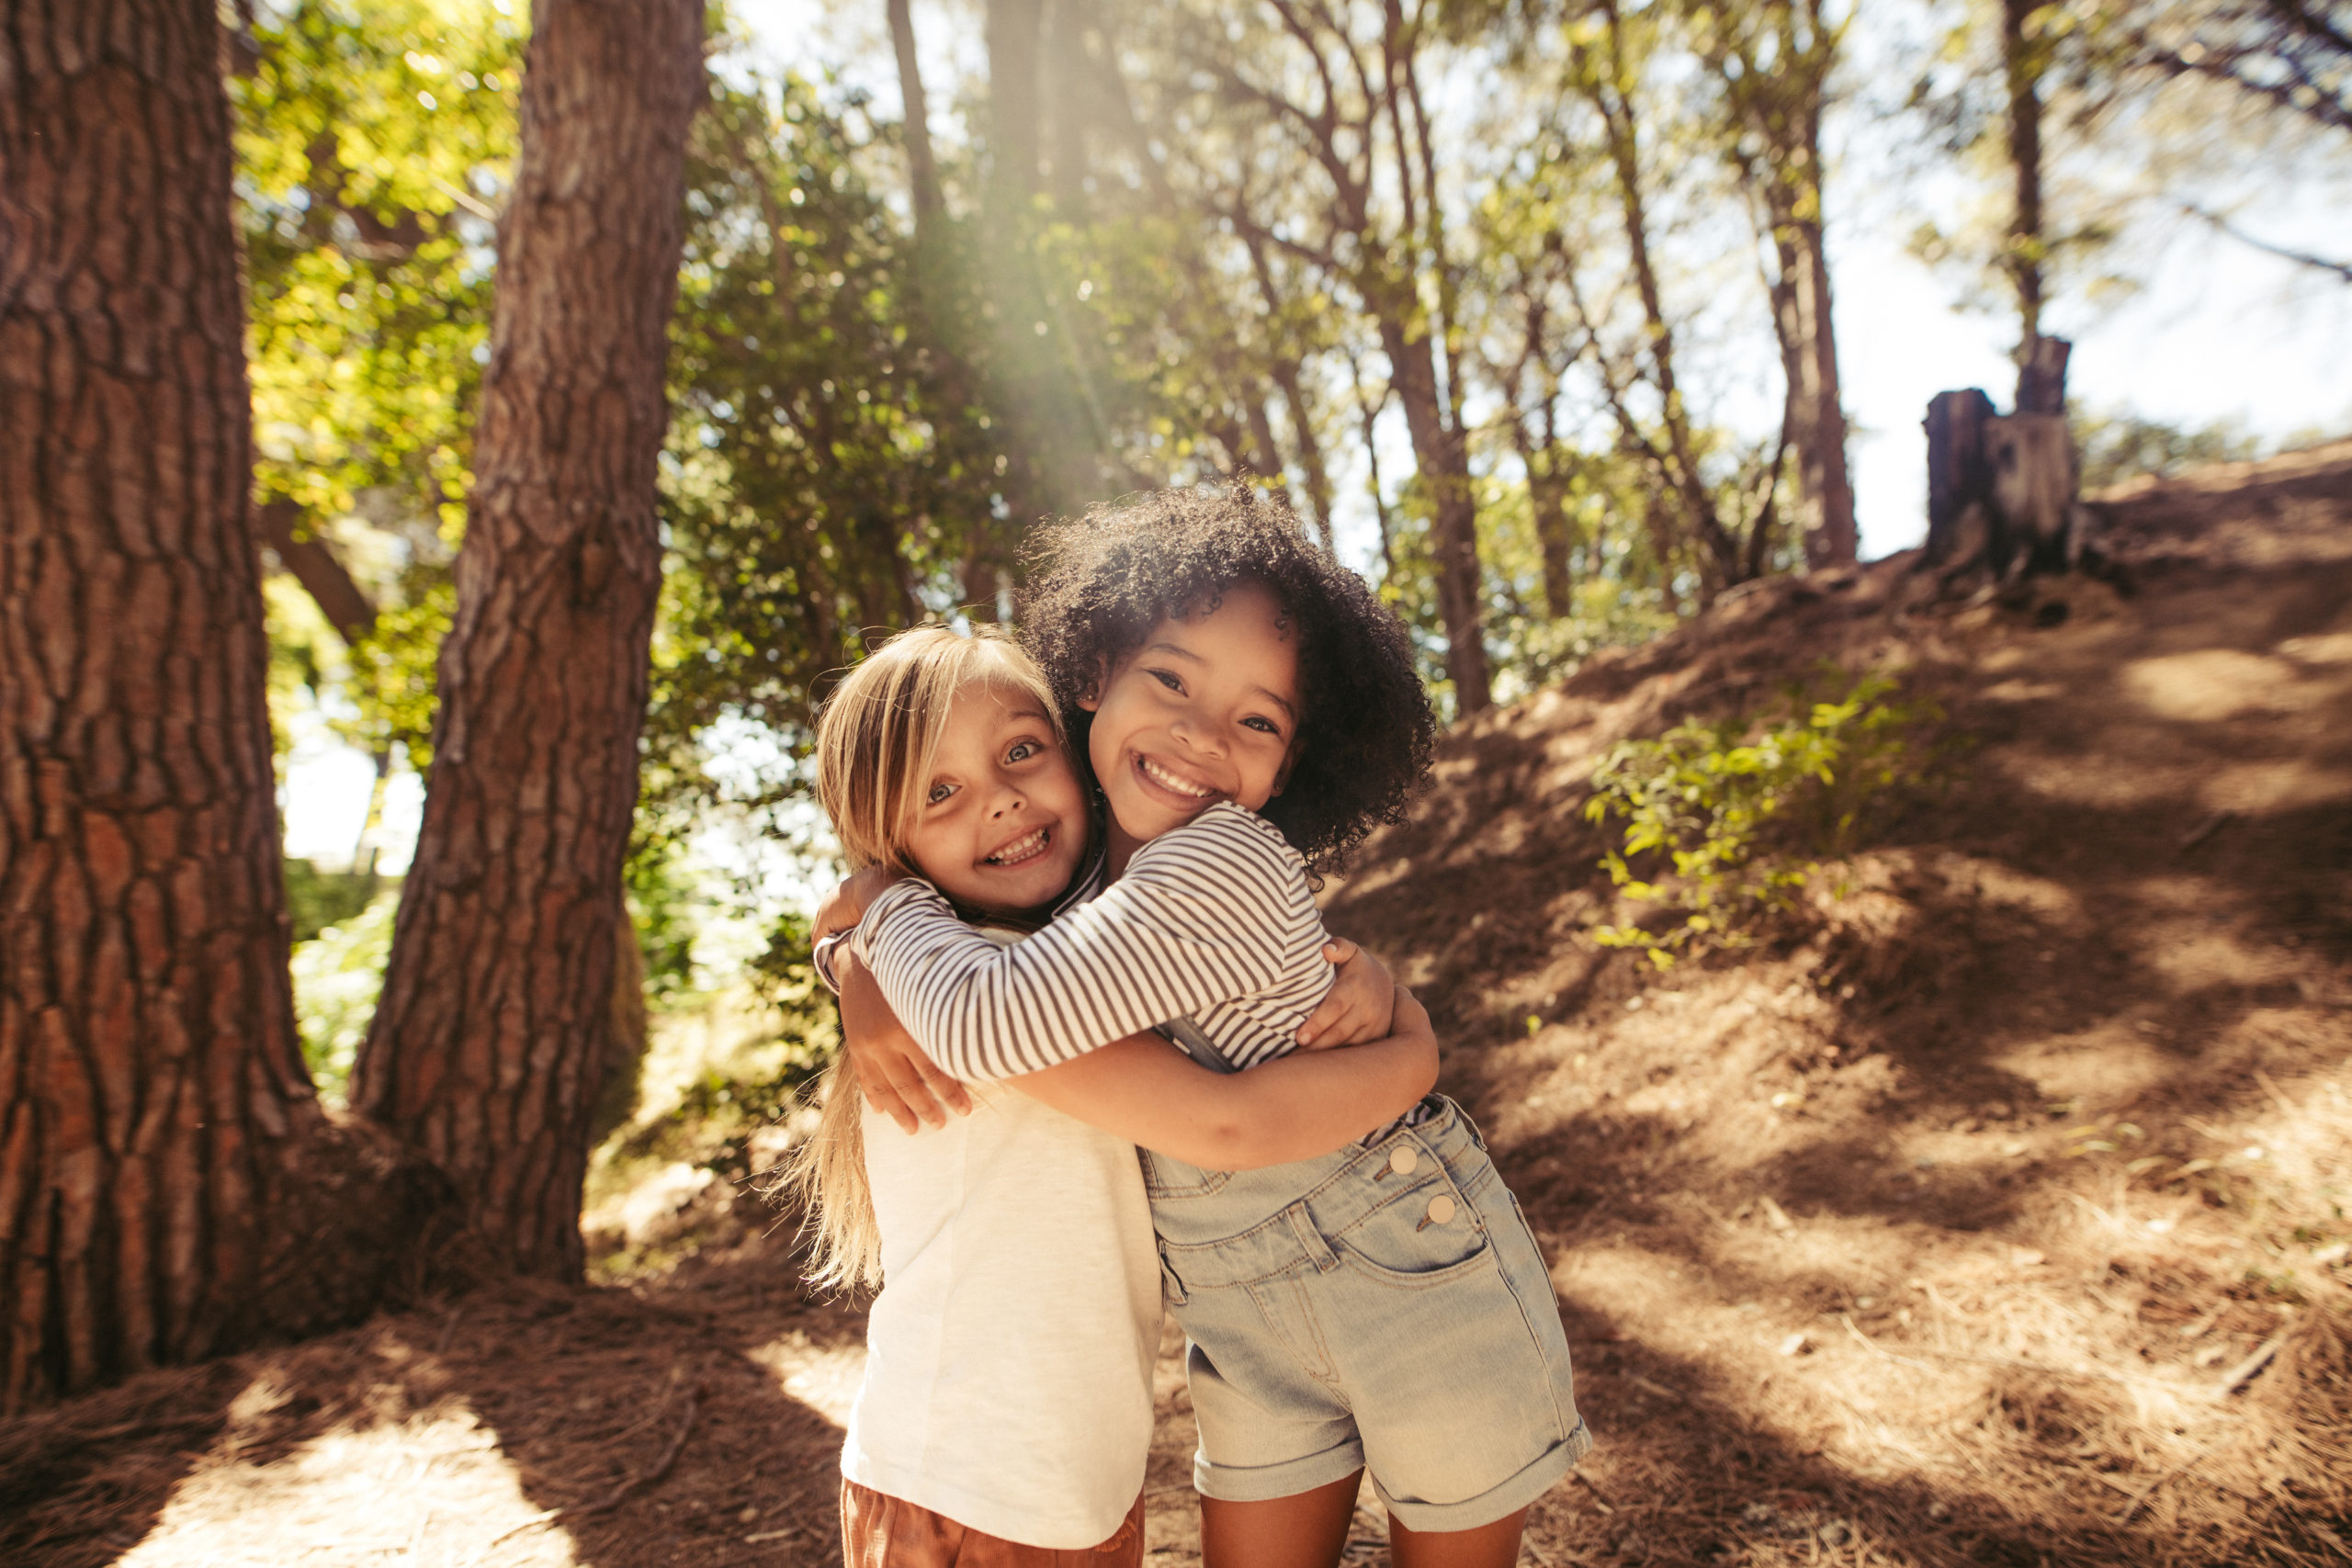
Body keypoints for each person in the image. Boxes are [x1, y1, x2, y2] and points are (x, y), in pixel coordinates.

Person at [826, 489, 1590, 1568]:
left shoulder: (1215, 857)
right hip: (1233, 1312)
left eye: (1258, 720)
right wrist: (853, 953)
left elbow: (995, 1025)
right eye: (1173, 680)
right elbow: (996, 992)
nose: (1197, 734)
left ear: (1293, 767)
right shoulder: (1079, 882)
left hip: (1402, 1267)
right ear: (1093, 676)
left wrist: (876, 910)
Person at [790, 624, 1440, 1567]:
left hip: (1062, 1484)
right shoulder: (990, 1004)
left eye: (1022, 749)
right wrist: (1416, 1049)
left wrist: (1364, 977)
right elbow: (1229, 1120)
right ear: (889, 846)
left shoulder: (1060, 969)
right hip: (980, 1490)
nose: (1003, 800)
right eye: (941, 792)